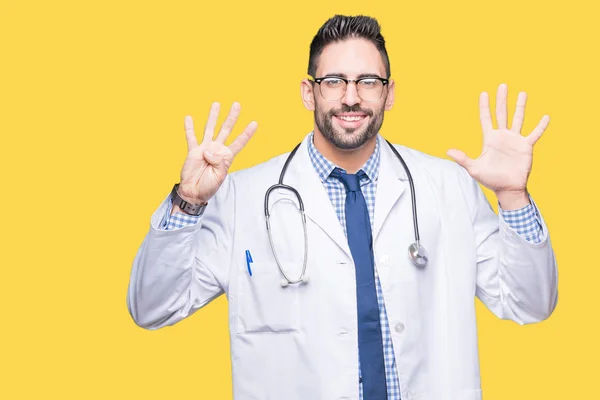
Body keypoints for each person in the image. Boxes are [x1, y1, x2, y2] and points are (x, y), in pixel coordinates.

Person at [126, 14, 558, 400]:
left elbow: (530, 303)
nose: (351, 97)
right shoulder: (243, 196)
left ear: (389, 94)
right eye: (334, 81)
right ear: (308, 92)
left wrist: (512, 197)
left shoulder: (449, 186)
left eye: (368, 81)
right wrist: (188, 202)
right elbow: (152, 307)